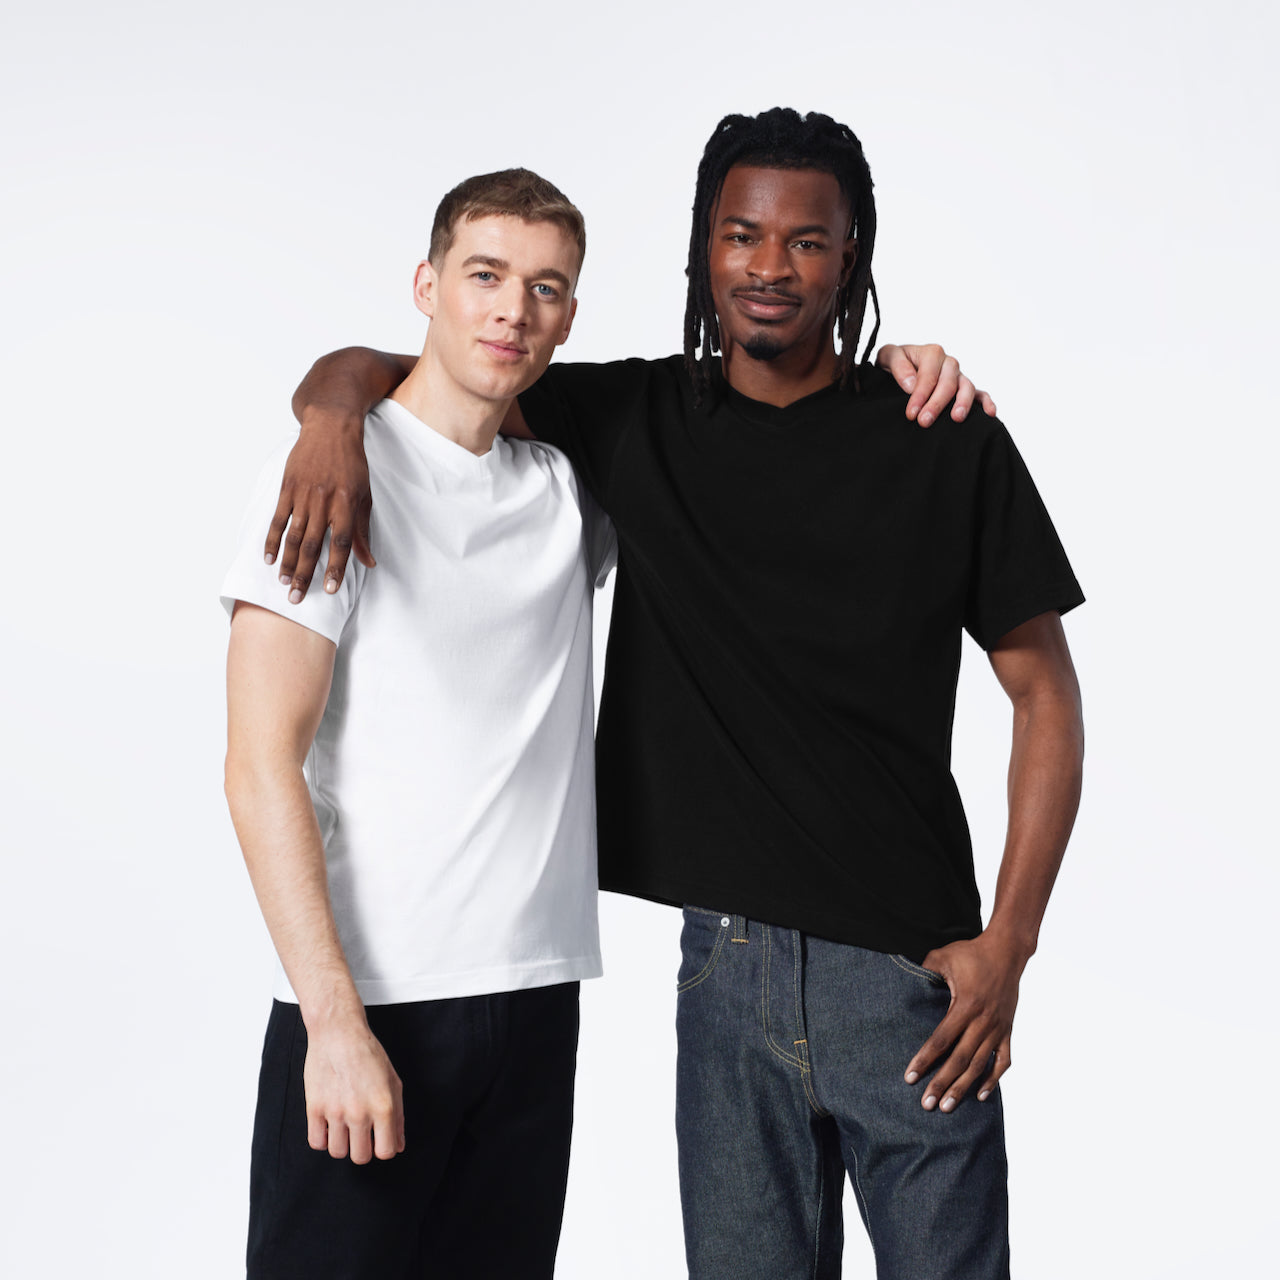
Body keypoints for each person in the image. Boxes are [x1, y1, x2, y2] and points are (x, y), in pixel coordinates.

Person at [271, 108, 1084, 1279]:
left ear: (850, 254)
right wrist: (330, 418)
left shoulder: (937, 436)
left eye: (806, 241)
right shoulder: (631, 419)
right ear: (703, 247)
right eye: (741, 233)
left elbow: (1045, 698)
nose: (768, 264)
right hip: (723, 979)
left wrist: (1008, 943)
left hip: (910, 982)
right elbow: (409, 369)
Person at [221, 168, 616, 1279]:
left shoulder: (566, 491)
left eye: (545, 287)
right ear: (425, 285)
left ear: (569, 316)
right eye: (484, 275)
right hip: (375, 1001)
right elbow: (258, 767)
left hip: (535, 995)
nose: (511, 310)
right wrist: (332, 1022)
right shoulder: (325, 483)